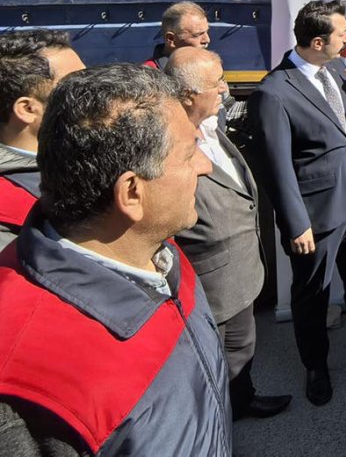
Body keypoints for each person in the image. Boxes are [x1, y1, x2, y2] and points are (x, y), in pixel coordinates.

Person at [0, 64, 229, 455]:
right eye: (190, 154)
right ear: (132, 193)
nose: (205, 167)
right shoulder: (26, 383)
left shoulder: (160, 252)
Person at [247, 0, 346, 407]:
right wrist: (296, 223)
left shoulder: (333, 69)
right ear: (318, 41)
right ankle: (315, 368)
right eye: (341, 35)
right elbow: (276, 167)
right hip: (315, 216)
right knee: (313, 295)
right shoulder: (273, 92)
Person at [165, 47, 292, 421]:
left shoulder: (212, 124)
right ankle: (216, 428)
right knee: (209, 367)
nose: (226, 88)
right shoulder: (169, 144)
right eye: (216, 82)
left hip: (241, 272)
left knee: (242, 348)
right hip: (209, 282)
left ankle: (242, 400)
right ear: (188, 95)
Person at [0, 30, 85, 249]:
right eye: (76, 87)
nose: (94, 94)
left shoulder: (87, 154)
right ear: (28, 109)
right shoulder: (8, 214)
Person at [145, 0, 211, 69]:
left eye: (206, 31)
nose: (207, 40)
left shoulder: (207, 67)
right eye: (198, 35)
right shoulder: (149, 75)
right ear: (171, 39)